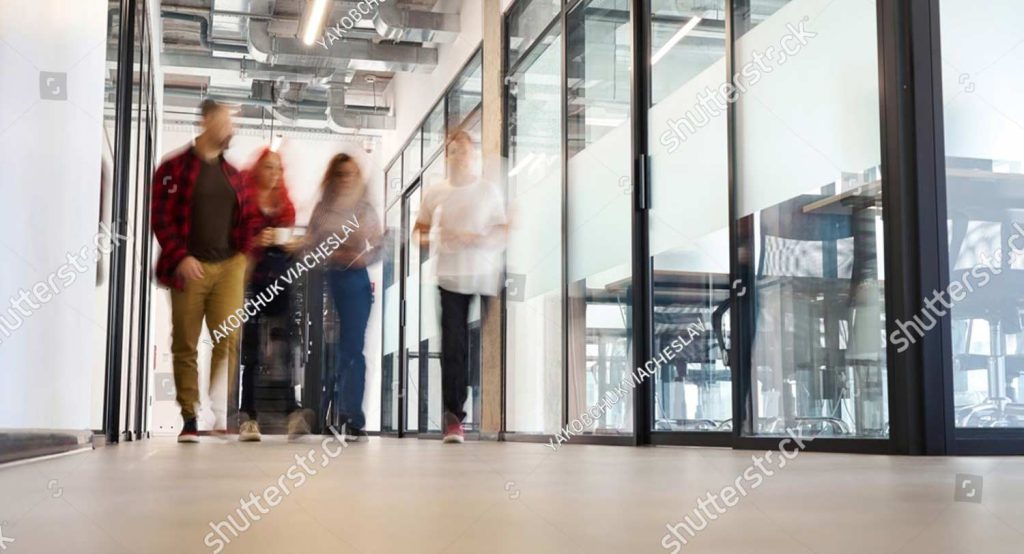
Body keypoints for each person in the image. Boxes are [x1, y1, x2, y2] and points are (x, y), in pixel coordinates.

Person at [151, 99, 262, 444]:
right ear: (208, 121)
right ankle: (189, 417)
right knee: (184, 342)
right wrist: (180, 255)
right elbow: (161, 218)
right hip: (188, 267)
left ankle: (219, 409)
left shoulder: (235, 176)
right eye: (228, 122)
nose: (233, 130)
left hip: (228, 265)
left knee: (227, 338)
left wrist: (244, 256)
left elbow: (248, 220)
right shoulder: (173, 169)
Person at [414, 130, 507, 444]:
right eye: (453, 151)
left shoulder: (487, 191)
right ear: (447, 156)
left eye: (464, 151)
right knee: (454, 348)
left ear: (473, 155)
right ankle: (454, 418)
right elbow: (420, 233)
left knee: (480, 350)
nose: (459, 156)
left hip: (484, 278)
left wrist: (475, 238)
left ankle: (496, 416)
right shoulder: (436, 192)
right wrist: (439, 237)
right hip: (451, 279)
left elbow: (502, 231)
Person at [236, 148, 313, 442]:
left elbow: (290, 245)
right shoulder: (245, 202)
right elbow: (236, 241)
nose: (274, 174)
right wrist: (257, 241)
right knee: (252, 350)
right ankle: (249, 418)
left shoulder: (286, 206)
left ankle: (293, 413)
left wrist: (293, 245)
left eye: (278, 169)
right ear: (258, 170)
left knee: (289, 347)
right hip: (252, 280)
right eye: (268, 167)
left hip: (281, 281)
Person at [305, 153, 383, 442]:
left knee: (352, 349)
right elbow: (310, 244)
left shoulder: (364, 210)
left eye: (351, 174)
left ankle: (351, 417)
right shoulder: (323, 210)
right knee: (326, 350)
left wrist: (363, 257)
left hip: (354, 281)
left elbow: (378, 245)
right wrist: (330, 253)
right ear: (333, 177)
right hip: (327, 279)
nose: (346, 179)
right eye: (341, 174)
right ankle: (325, 412)